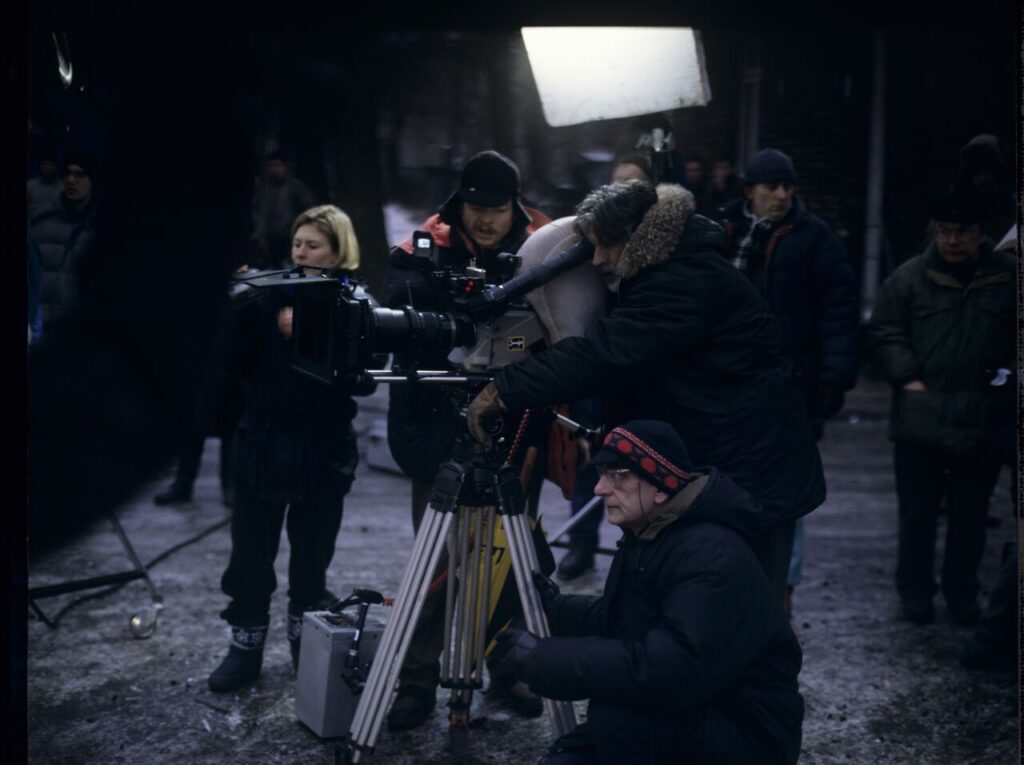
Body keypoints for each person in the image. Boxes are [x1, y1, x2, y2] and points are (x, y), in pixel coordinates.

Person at [467, 180, 826, 605]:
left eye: (605, 246)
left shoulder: (682, 279)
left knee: (749, 613)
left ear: (634, 238)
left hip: (753, 472)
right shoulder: (671, 268)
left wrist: (507, 387)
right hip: (736, 461)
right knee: (714, 610)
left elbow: (608, 351)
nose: (597, 259)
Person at [490, 420, 804, 765]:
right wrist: (554, 609)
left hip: (748, 733)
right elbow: (631, 617)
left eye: (617, 476)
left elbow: (670, 667)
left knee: (613, 715)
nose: (599, 490)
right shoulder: (654, 528)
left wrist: (541, 659)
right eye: (601, 474)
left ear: (661, 486)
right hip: (699, 713)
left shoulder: (712, 556)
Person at [380, 150, 555, 729]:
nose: (486, 221)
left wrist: (505, 337)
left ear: (516, 209)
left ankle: (510, 667)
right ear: (460, 205)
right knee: (437, 563)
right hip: (436, 430)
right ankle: (415, 682)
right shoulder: (419, 253)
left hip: (516, 426)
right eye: (477, 208)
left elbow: (549, 331)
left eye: (498, 209)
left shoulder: (544, 252)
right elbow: (405, 320)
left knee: (510, 561)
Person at [207, 205, 375, 692]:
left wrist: (312, 333)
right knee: (250, 555)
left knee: (312, 555)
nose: (301, 253)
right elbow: (230, 366)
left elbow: (364, 382)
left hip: (323, 450)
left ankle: (307, 642)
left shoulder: (356, 299)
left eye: (313, 246)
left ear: (339, 252)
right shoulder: (264, 296)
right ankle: (245, 645)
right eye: (297, 244)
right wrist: (234, 303)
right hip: (262, 443)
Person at [719, 148, 860, 616]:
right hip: (728, 385)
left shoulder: (815, 239)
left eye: (787, 186)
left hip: (791, 388)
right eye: (771, 186)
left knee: (788, 492)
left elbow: (837, 310)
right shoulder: (725, 232)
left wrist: (833, 377)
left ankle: (781, 593)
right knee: (729, 482)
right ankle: (731, 586)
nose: (780, 195)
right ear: (749, 192)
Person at [865, 192, 1014, 626]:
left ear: (981, 234)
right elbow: (884, 331)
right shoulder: (908, 278)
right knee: (918, 516)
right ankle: (915, 593)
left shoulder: (1006, 278)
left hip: (980, 417)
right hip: (920, 419)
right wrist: (906, 375)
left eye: (963, 232)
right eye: (945, 231)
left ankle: (961, 592)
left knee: (970, 517)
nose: (952, 240)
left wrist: (1005, 378)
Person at [28, 149, 99, 339]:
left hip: (78, 338)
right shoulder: (41, 223)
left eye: (80, 174)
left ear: (93, 182)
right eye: (67, 173)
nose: (71, 180)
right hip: (38, 332)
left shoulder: (100, 231)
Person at [251, 148, 317, 269]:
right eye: (271, 165)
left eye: (277, 165)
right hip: (266, 242)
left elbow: (309, 211)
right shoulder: (262, 188)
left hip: (288, 241)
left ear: (285, 167)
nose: (274, 169)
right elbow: (256, 211)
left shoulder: (295, 187)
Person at [27, 148, 64, 219]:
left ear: (56, 166)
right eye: (44, 164)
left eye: (50, 164)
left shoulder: (63, 187)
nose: (47, 168)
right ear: (40, 166)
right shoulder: (30, 186)